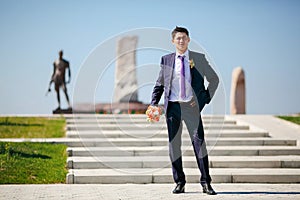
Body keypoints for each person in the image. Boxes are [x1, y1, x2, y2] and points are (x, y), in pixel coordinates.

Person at [150, 26, 219, 195]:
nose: (181, 40)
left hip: (191, 108)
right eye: (178, 38)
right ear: (173, 41)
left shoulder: (198, 58)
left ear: (189, 40)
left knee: (199, 144)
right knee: (174, 146)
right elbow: (160, 84)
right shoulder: (166, 60)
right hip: (173, 107)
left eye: (184, 38)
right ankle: (179, 182)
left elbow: (214, 79)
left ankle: (206, 183)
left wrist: (202, 100)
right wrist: (153, 103)